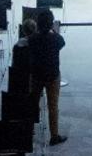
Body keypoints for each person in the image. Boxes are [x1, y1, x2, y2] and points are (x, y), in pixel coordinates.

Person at [28, 8, 67, 145]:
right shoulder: (56, 38)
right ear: (50, 24)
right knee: (53, 106)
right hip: (52, 76)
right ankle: (54, 135)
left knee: (33, 103)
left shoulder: (32, 39)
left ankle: (29, 130)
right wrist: (53, 30)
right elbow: (62, 42)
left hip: (36, 76)